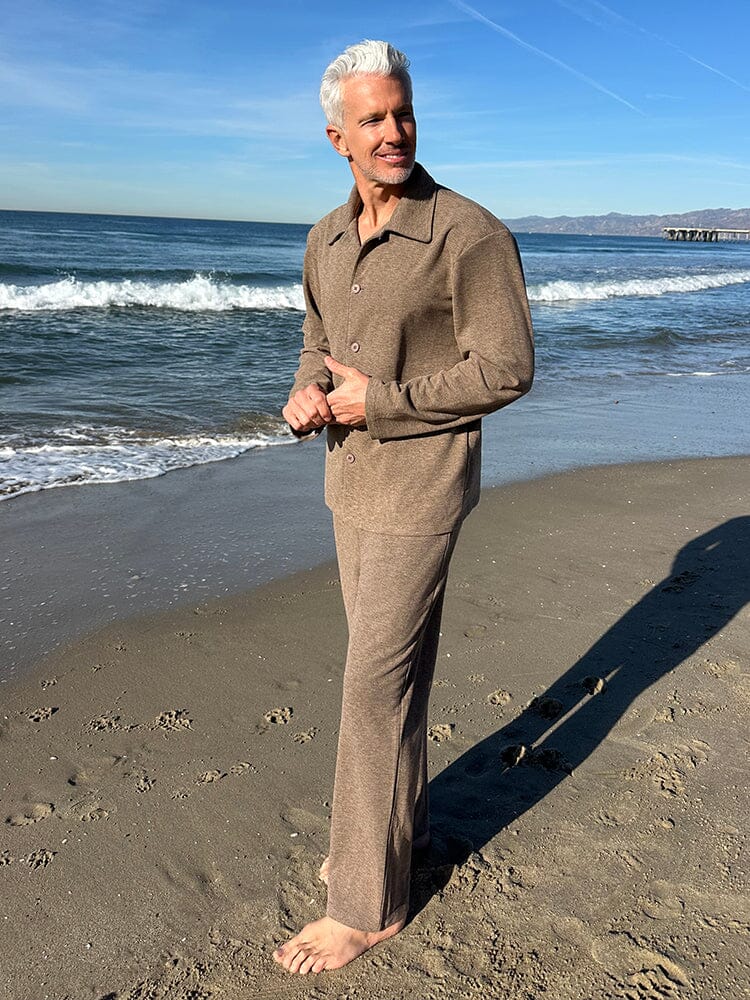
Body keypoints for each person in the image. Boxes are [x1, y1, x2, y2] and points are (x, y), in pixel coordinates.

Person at [275, 39, 534, 975]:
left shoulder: (469, 234)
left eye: (403, 113)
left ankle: (366, 904)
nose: (393, 132)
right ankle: (399, 836)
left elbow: (507, 367)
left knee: (371, 687)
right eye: (373, 119)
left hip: (422, 488)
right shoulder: (324, 238)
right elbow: (317, 338)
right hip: (349, 483)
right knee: (395, 677)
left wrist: (375, 402)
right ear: (337, 136)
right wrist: (309, 393)